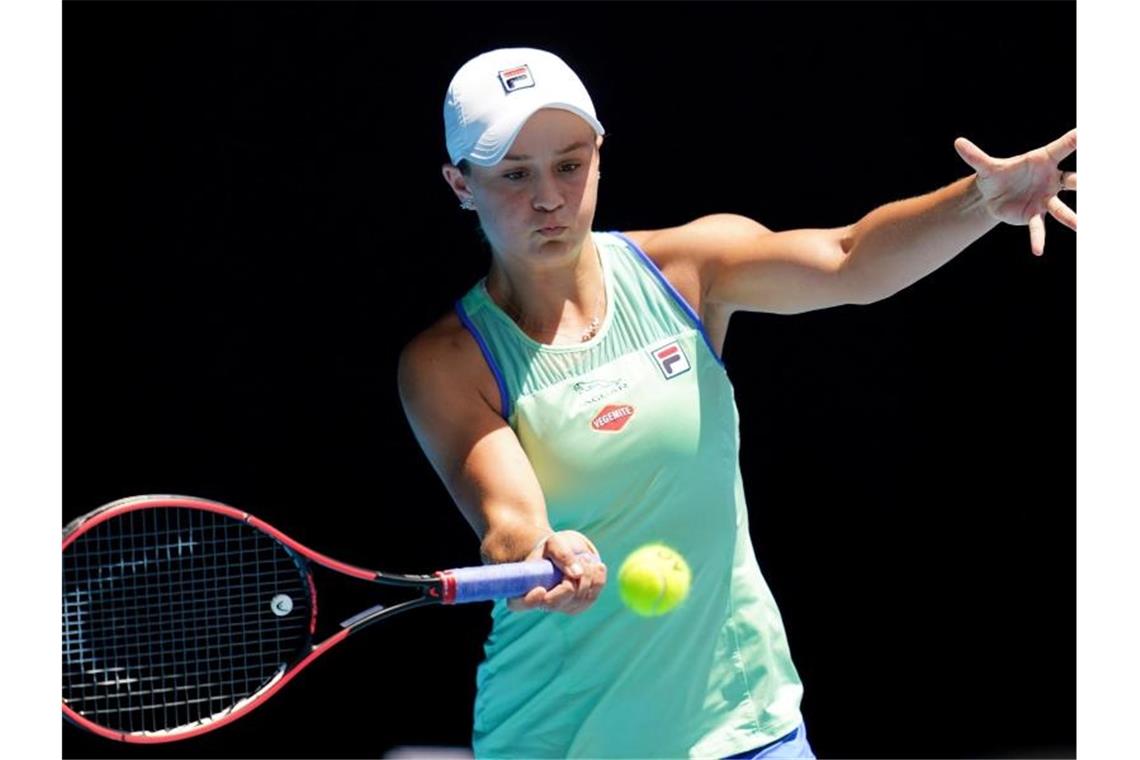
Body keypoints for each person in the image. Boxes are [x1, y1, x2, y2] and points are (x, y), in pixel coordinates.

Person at [397, 47, 1076, 759]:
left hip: (745, 722)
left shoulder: (690, 267)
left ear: (599, 153)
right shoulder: (447, 363)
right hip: (556, 739)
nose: (549, 197)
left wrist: (979, 202)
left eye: (569, 164)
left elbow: (850, 260)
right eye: (513, 174)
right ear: (460, 184)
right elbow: (508, 520)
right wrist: (541, 552)